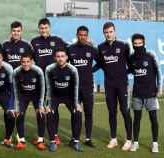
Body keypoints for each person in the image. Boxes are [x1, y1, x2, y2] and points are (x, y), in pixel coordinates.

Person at [94, 22, 132, 150]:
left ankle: (129, 139)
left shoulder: (123, 46)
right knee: (112, 112)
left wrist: (123, 74)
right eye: (106, 32)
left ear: (114, 32)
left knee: (125, 111)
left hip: (122, 84)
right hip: (109, 85)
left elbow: (130, 64)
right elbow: (99, 64)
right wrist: (88, 70)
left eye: (110, 31)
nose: (108, 34)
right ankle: (113, 139)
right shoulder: (100, 47)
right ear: (103, 33)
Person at [128, 33, 162, 153]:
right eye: (135, 44)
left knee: (153, 119)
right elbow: (129, 70)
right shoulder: (131, 57)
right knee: (137, 119)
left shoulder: (151, 54)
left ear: (144, 43)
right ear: (133, 44)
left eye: (140, 43)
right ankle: (135, 143)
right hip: (137, 94)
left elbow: (158, 71)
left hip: (151, 94)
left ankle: (155, 144)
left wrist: (160, 88)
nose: (138, 45)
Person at [45, 48, 83, 152]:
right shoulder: (49, 69)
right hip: (55, 96)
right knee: (49, 113)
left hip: (69, 97)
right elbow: (49, 87)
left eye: (62, 56)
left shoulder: (73, 70)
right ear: (55, 58)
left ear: (66, 57)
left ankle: (75, 141)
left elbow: (76, 88)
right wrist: (48, 104)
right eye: (58, 56)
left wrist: (77, 103)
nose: (60, 59)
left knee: (77, 112)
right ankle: (52, 141)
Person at [67, 26, 99, 147]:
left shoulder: (92, 50)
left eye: (85, 35)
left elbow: (100, 62)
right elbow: (64, 63)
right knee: (75, 113)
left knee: (89, 113)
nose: (83, 37)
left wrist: (91, 70)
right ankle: (74, 138)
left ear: (87, 36)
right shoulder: (70, 49)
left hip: (88, 86)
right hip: (74, 87)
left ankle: (87, 139)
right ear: (77, 35)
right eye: (81, 35)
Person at [13, 53, 45, 150]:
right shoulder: (16, 72)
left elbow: (43, 88)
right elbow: (15, 89)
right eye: (23, 62)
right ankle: (21, 140)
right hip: (23, 96)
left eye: (28, 62)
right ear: (20, 62)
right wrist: (17, 106)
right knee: (20, 115)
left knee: (41, 114)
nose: (26, 64)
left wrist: (40, 105)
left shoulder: (38, 71)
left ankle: (40, 140)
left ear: (32, 62)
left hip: (36, 95)